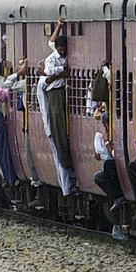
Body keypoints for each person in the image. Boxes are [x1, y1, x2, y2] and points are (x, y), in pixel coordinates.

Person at [43, 19, 80, 195]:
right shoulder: (52, 58)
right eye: (60, 48)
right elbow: (48, 74)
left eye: (64, 48)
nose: (62, 50)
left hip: (64, 93)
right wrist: (62, 72)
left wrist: (59, 26)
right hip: (55, 95)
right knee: (58, 129)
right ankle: (66, 164)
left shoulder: (62, 55)